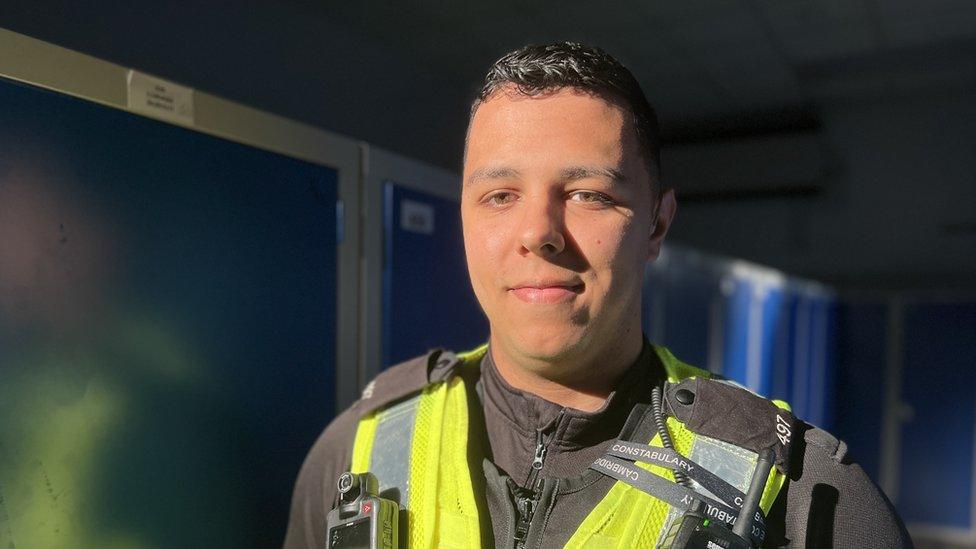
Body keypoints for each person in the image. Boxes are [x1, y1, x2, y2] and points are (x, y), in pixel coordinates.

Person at [284, 42, 911, 548]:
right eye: (500, 196)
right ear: (466, 220)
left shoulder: (805, 498)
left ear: (656, 226)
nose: (538, 234)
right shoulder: (354, 453)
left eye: (588, 194)